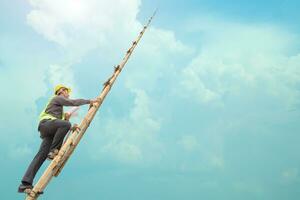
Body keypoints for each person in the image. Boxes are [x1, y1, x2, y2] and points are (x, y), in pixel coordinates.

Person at [18, 84, 98, 193]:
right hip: (46, 125)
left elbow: (60, 125)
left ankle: (25, 184)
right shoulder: (57, 98)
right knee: (65, 124)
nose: (68, 94)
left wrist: (67, 122)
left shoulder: (58, 109)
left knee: (40, 156)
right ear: (61, 91)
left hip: (50, 131)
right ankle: (53, 150)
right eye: (67, 92)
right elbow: (73, 103)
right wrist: (89, 101)